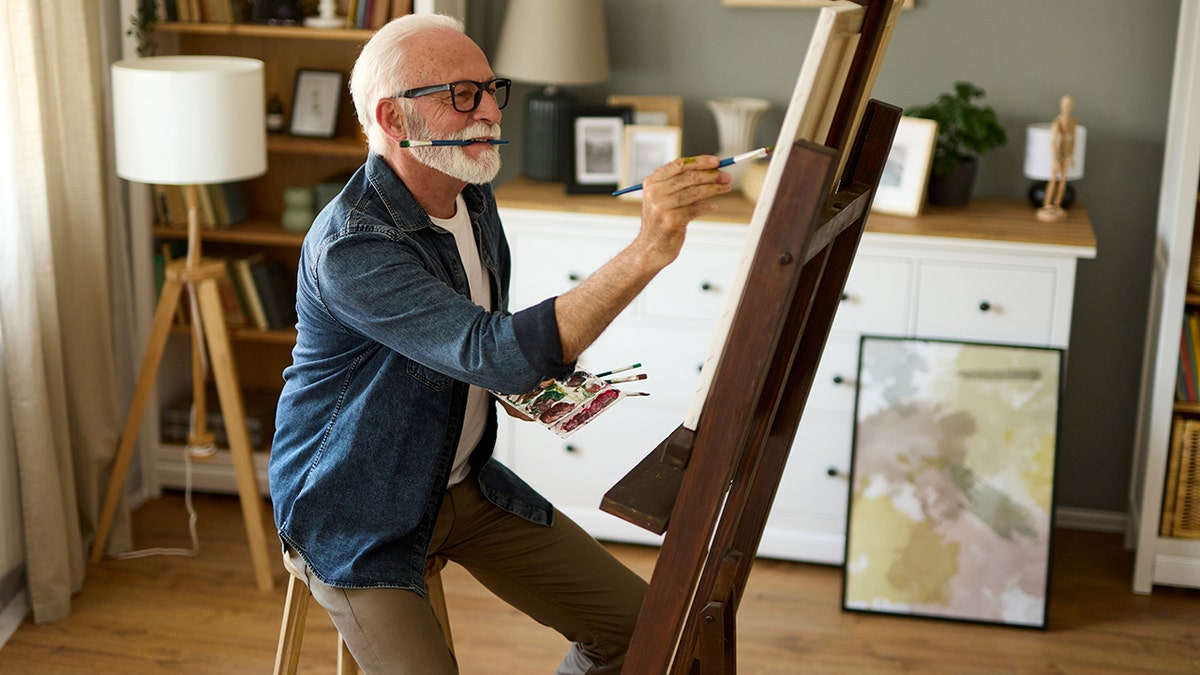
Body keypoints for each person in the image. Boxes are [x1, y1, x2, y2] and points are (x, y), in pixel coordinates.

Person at [267, 13, 732, 675]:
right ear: (394, 120)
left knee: (649, 632)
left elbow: (470, 343)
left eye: (491, 89)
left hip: (459, 481)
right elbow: (489, 347)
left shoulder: (471, 197)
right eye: (462, 95)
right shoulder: (354, 244)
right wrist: (647, 251)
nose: (489, 110)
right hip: (355, 504)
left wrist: (521, 381)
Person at [1038, 94, 1077, 221]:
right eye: (1065, 104)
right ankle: (1047, 204)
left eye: (1069, 104)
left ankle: (1057, 205)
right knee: (1053, 180)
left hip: (1066, 154)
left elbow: (1073, 140)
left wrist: (1071, 156)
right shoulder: (1058, 121)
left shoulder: (1073, 121)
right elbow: (1053, 141)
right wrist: (1055, 158)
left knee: (1063, 181)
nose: (1067, 107)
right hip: (1058, 153)